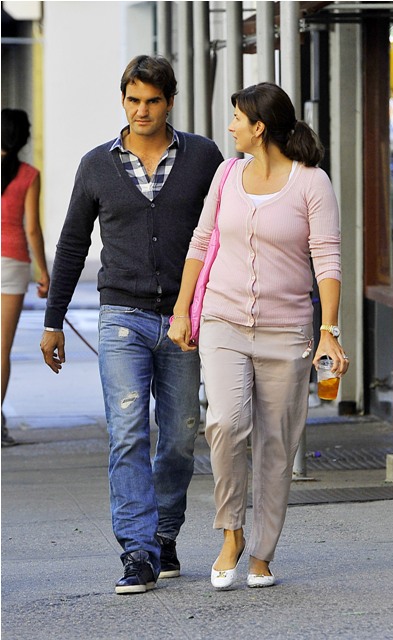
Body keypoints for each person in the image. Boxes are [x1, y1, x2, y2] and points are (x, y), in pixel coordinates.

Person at [40, 55, 223, 594]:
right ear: (123, 100)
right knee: (127, 433)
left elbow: (224, 232)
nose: (141, 111)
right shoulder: (97, 164)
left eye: (152, 101)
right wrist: (54, 321)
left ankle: (165, 534)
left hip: (184, 320)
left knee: (180, 437)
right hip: (121, 315)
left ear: (170, 102)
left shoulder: (203, 157)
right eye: (132, 100)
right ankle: (137, 551)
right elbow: (73, 243)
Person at [168, 82, 349, 589]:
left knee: (277, 444)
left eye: (236, 119)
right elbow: (201, 242)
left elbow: (327, 260)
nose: (230, 127)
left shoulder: (311, 183)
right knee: (224, 424)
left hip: (286, 329)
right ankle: (231, 530)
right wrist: (182, 310)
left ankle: (262, 552)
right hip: (224, 322)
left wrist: (329, 332)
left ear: (259, 126)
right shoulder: (227, 174)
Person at [1, 108, 50, 447]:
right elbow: (31, 229)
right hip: (13, 263)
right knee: (1, 350)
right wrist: (43, 273)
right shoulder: (29, 175)